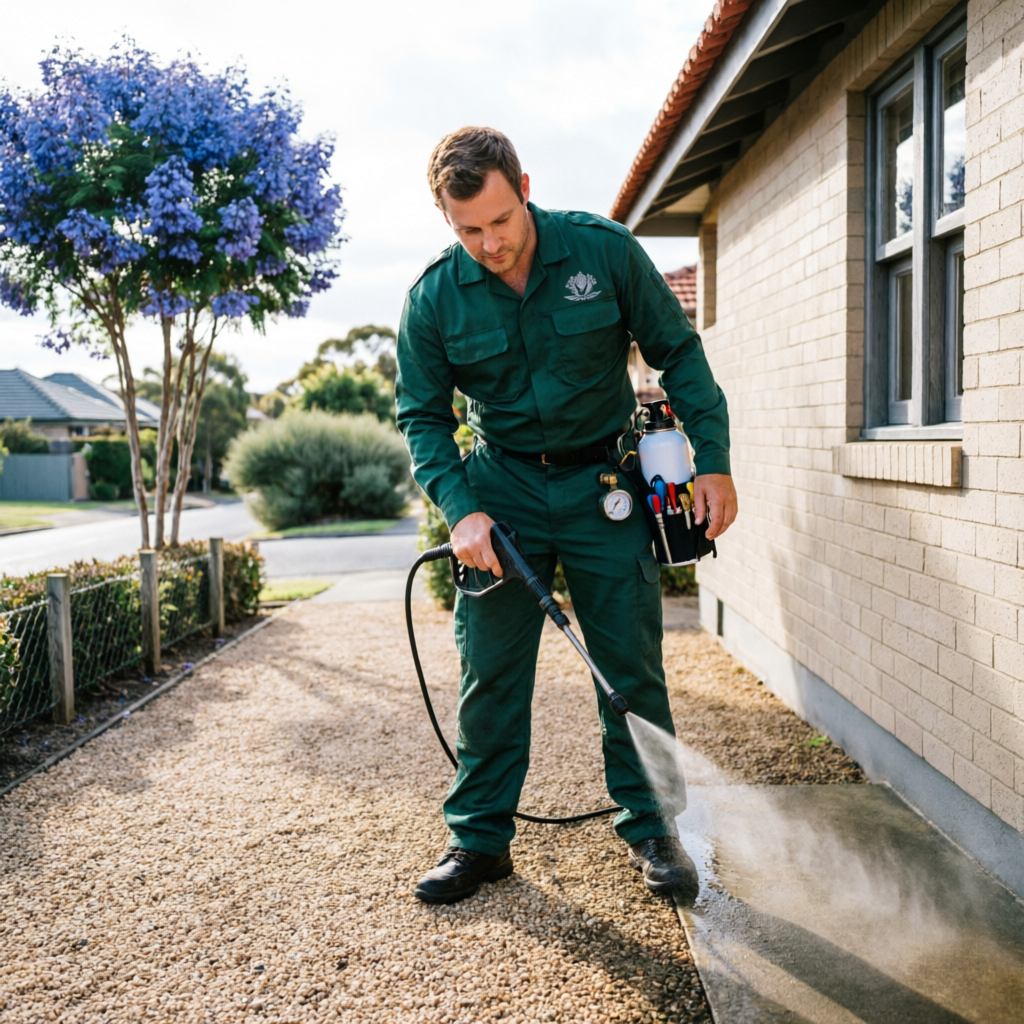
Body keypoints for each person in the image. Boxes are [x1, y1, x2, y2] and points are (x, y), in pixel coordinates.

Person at [396, 127, 736, 905]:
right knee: (491, 672)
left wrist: (710, 459)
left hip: (604, 486)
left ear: (524, 185)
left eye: (500, 221)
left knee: (630, 666)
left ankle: (653, 826)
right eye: (468, 230)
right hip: (502, 492)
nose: (489, 243)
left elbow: (677, 353)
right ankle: (479, 840)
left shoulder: (603, 251)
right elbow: (422, 415)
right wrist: (462, 510)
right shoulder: (434, 297)